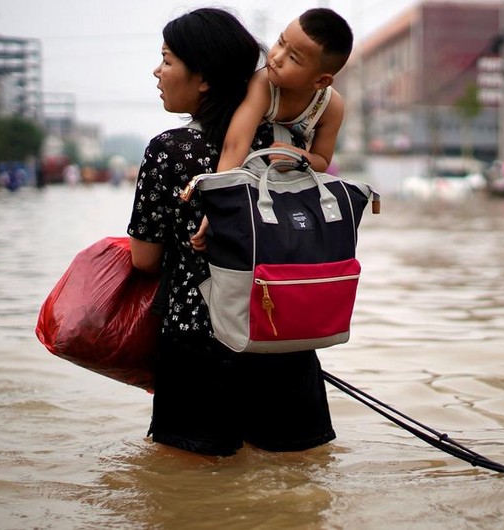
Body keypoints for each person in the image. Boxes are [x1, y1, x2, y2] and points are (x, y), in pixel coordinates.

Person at [127, 7, 336, 457]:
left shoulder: (170, 150)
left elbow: (143, 259)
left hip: (197, 344)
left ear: (202, 78)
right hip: (284, 338)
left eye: (166, 59)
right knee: (295, 494)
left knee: (190, 499)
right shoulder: (291, 146)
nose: (157, 71)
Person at [216, 7, 353, 173]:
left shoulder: (330, 106)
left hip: (284, 183)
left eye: (293, 58)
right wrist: (220, 194)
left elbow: (322, 160)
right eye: (281, 42)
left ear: (321, 81)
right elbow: (234, 147)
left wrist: (298, 157)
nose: (277, 57)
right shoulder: (264, 84)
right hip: (246, 169)